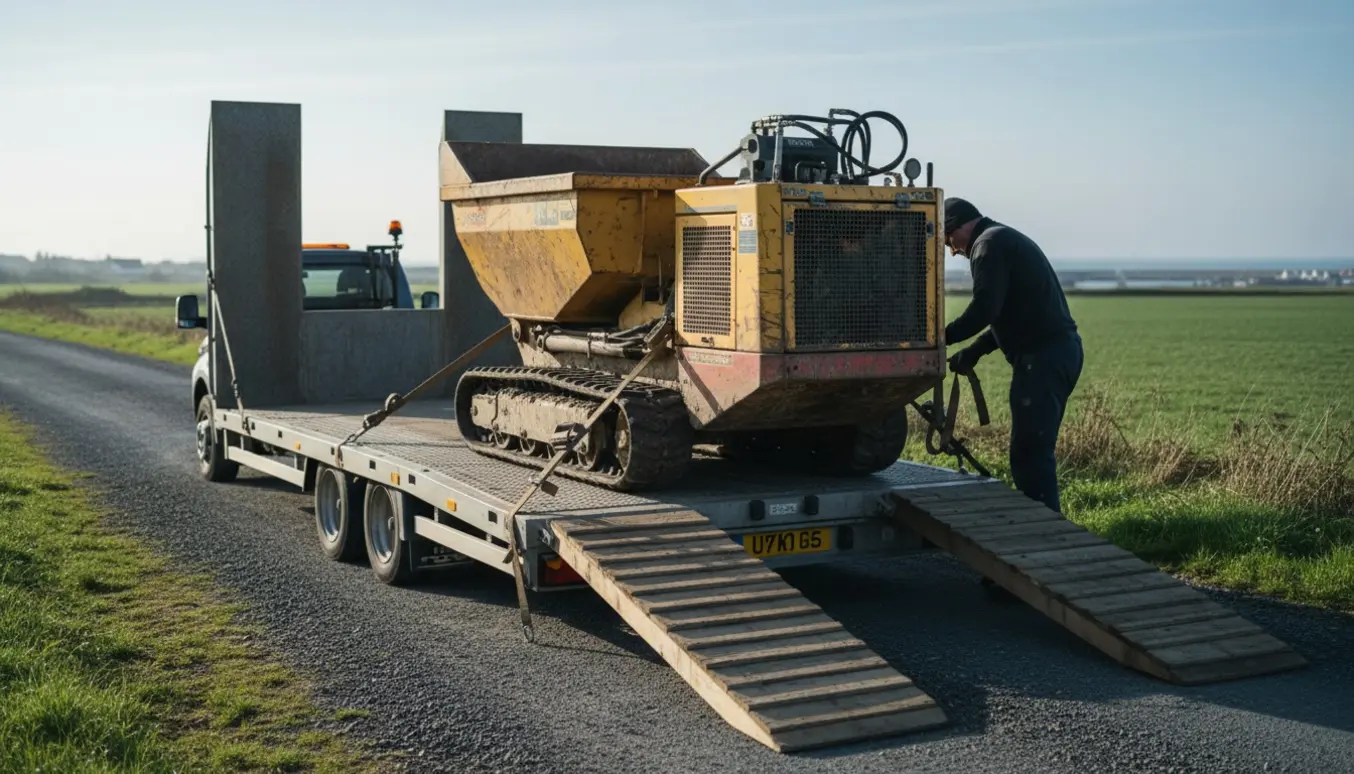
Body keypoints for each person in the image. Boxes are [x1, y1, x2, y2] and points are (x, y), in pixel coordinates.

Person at [942, 197, 1084, 514]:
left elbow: (984, 310)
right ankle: (1045, 524)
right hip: (1057, 353)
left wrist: (940, 338)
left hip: (1042, 359)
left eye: (949, 240)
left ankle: (1044, 531)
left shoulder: (987, 246)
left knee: (1030, 453)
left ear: (960, 225)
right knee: (1034, 449)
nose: (952, 250)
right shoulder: (1002, 239)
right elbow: (1007, 316)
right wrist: (974, 352)